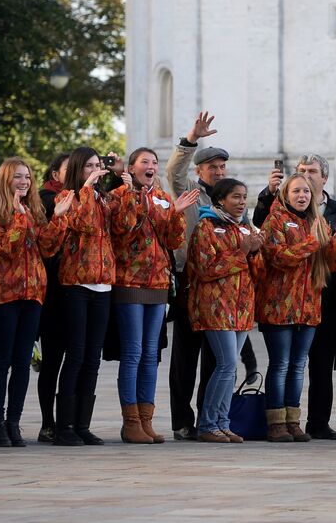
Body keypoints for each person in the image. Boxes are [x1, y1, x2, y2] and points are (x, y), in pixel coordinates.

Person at [166, 111, 256, 441]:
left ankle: (211, 418)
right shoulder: (189, 190)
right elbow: (173, 171)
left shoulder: (235, 202)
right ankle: (182, 421)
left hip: (228, 290)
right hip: (192, 278)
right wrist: (190, 140)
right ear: (200, 170)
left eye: (222, 167)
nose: (218, 172)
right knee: (185, 357)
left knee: (217, 361)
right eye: (212, 168)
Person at [109, 148, 195, 444]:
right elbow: (123, 230)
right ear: (131, 168)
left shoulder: (162, 196)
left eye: (154, 162)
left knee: (150, 354)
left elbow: (174, 240)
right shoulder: (120, 195)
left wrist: (176, 214)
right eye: (144, 162)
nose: (152, 166)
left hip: (158, 282)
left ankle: (145, 420)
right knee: (132, 353)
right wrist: (138, 199)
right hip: (129, 281)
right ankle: (130, 421)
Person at [256, 172, 336, 442]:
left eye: (306, 192)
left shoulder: (318, 222)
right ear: (286, 194)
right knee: (281, 365)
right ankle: (276, 422)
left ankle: (293, 421)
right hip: (278, 306)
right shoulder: (274, 221)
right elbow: (278, 258)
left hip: (308, 306)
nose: (302, 196)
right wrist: (312, 242)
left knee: (298, 366)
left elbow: (330, 265)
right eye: (296, 191)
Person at [0, 159, 69, 446]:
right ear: (6, 180)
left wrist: (58, 217)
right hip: (4, 294)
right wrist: (19, 218)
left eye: (28, 177)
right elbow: (4, 249)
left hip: (33, 294)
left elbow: (47, 247)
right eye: (18, 177)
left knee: (22, 363)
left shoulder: (33, 211)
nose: (24, 182)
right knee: (0, 362)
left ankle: (13, 424)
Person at [187, 179, 263, 443]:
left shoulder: (244, 227)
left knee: (230, 369)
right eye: (236, 197)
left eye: (244, 197)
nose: (242, 202)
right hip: (216, 307)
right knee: (226, 364)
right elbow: (205, 269)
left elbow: (256, 272)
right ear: (220, 200)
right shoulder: (205, 227)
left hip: (242, 308)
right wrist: (241, 252)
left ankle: (223, 422)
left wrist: (254, 252)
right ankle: (207, 424)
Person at [53, 147, 118, 446]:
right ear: (78, 169)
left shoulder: (103, 198)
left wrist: (120, 180)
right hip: (77, 283)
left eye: (97, 165)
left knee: (93, 357)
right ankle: (63, 425)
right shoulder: (67, 198)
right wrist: (88, 190)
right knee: (76, 354)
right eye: (88, 166)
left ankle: (82, 424)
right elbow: (82, 224)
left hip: (103, 285)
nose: (95, 170)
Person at [35, 152, 69, 443]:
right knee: (53, 359)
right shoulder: (46, 198)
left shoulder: (89, 197)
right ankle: (48, 423)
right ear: (55, 173)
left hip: (81, 288)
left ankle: (71, 422)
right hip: (53, 289)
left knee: (79, 358)